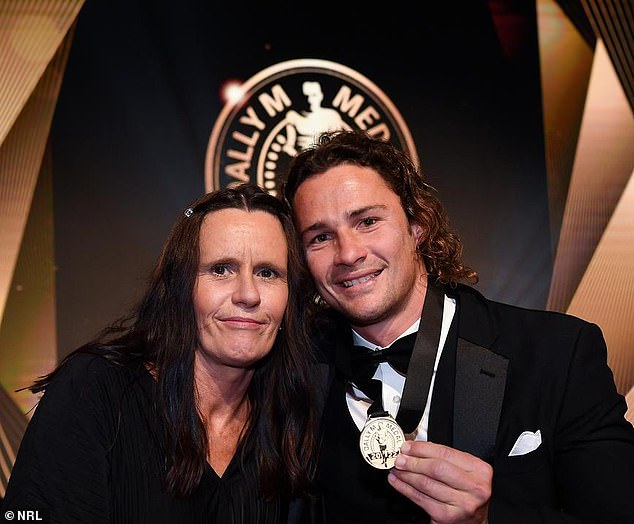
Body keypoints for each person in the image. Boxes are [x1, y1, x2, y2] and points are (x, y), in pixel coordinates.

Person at [282, 129, 634, 523]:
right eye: (320, 237)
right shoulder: (289, 374)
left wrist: (488, 518)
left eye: (367, 221)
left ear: (417, 226)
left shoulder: (558, 354)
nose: (348, 253)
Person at [1, 183, 317, 523]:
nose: (247, 294)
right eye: (221, 269)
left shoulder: (291, 420)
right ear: (180, 288)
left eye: (267, 273)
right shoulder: (96, 390)